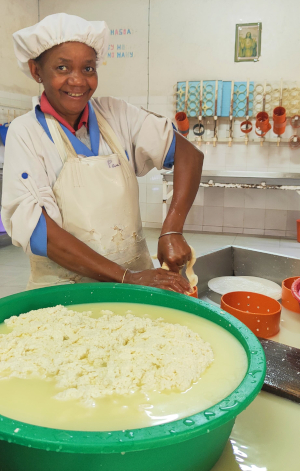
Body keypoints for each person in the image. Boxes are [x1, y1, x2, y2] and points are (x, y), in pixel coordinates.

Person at [1, 13, 203, 293]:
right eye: (62, 68)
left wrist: (172, 228)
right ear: (37, 71)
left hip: (138, 281)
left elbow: (188, 154)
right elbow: (39, 231)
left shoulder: (117, 114)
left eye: (88, 69)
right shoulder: (25, 132)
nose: (78, 81)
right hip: (64, 290)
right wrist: (125, 277)